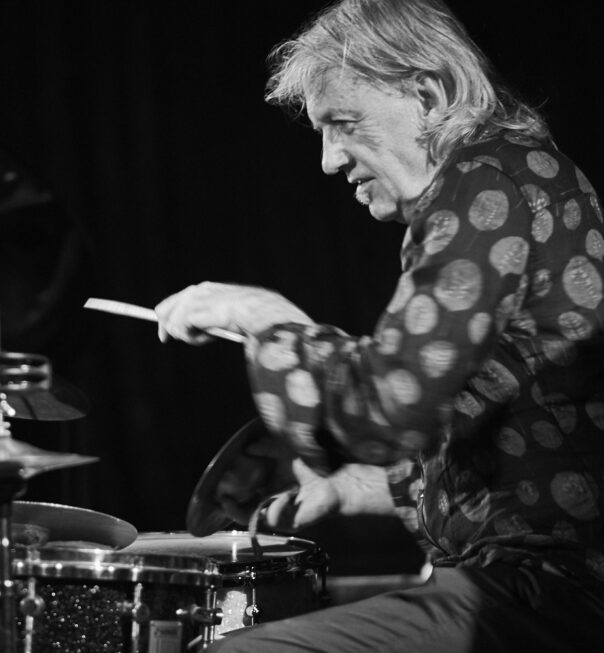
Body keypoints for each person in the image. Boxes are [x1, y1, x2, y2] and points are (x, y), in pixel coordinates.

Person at [154, 0, 604, 651]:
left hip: (555, 590)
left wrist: (267, 321)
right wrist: (360, 490)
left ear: (428, 95)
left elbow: (390, 405)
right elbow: (509, 424)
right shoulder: (511, 176)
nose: (328, 160)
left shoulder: (486, 182)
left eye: (343, 123)